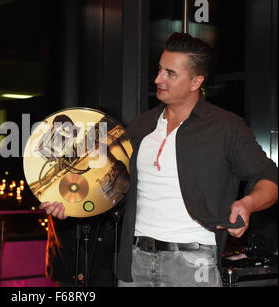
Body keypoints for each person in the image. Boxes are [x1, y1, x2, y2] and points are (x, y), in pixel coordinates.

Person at [40, 32, 278, 287]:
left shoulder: (226, 127)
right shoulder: (140, 126)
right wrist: (70, 205)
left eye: (170, 73)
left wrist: (248, 203)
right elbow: (108, 186)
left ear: (196, 81)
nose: (157, 79)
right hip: (135, 261)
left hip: (193, 263)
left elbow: (268, 177)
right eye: (159, 70)